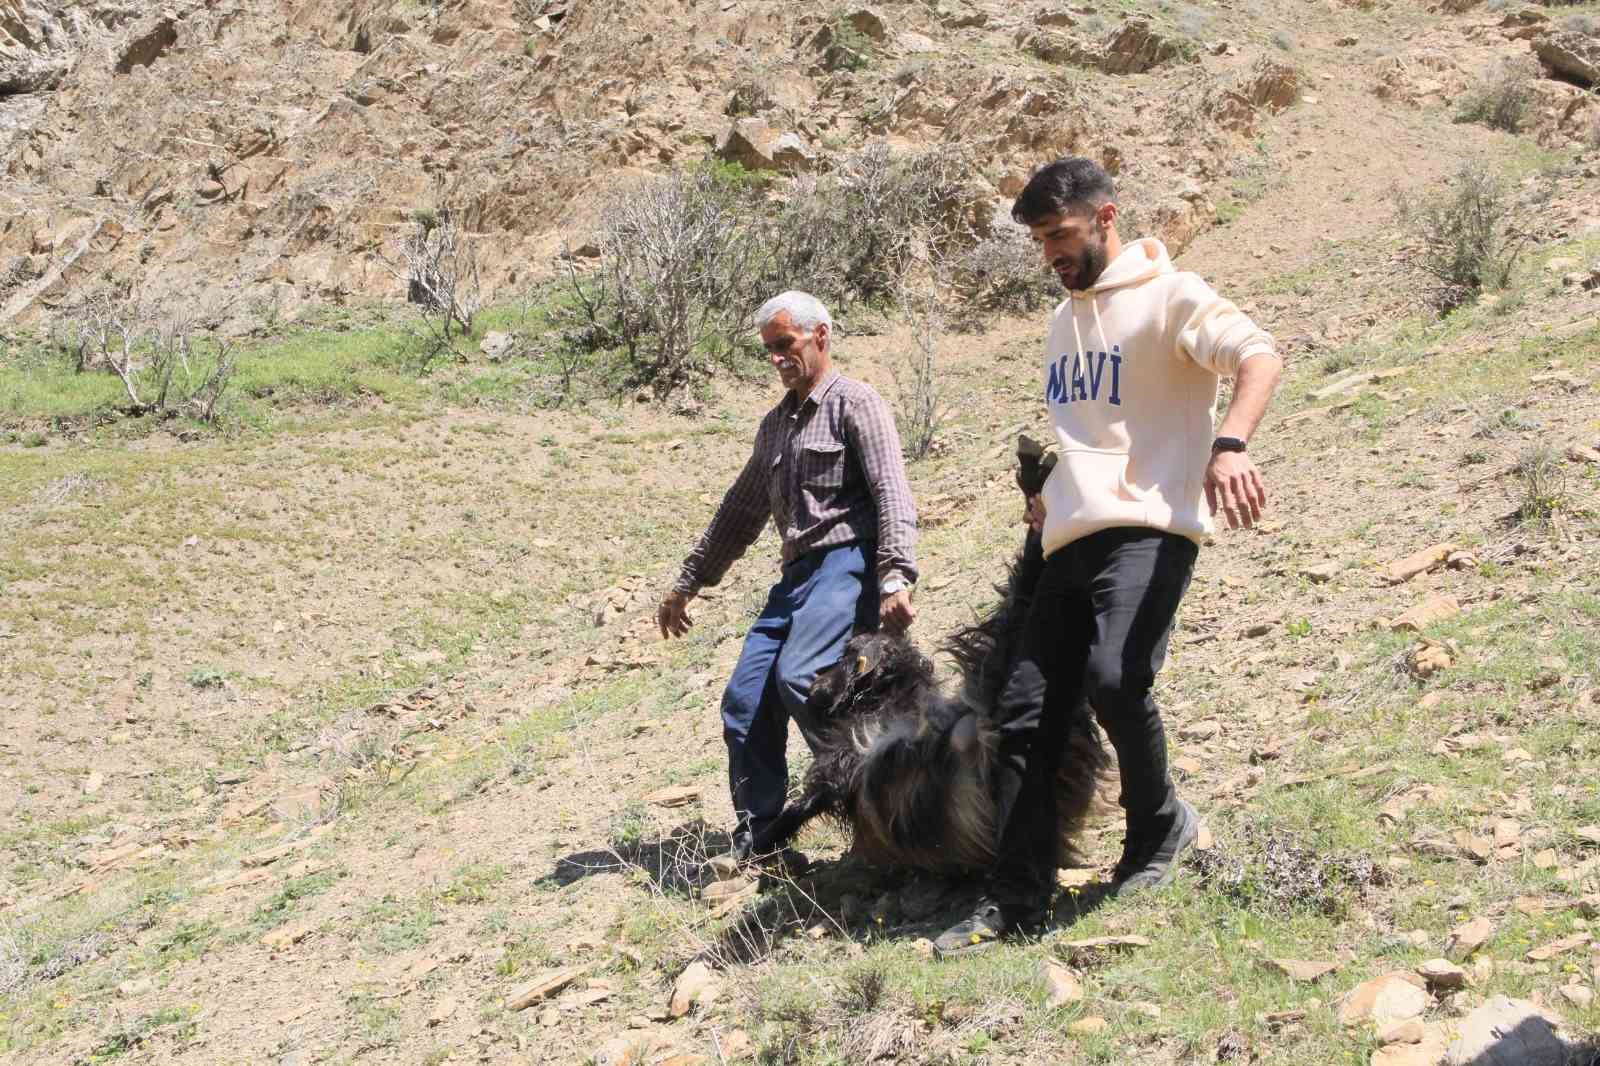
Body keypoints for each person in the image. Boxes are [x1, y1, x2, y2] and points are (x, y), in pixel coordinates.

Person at [935, 158, 1284, 954]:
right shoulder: (1063, 324)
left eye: (1060, 234)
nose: (1051, 253)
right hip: (1068, 538)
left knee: (1117, 678)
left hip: (1153, 525)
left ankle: (1159, 826)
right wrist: (1049, 493)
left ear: (1105, 216)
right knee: (1024, 720)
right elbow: (1093, 433)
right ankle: (1017, 902)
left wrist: (1229, 445)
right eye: (1038, 241)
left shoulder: (1172, 295)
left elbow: (1258, 355)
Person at [658, 290, 919, 862]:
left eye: (786, 346)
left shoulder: (856, 403)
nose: (777, 359)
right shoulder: (775, 426)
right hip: (796, 576)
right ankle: (765, 837)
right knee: (745, 700)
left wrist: (897, 574)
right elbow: (740, 512)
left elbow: (892, 493)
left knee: (802, 676)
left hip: (848, 563)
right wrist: (689, 581)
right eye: (769, 350)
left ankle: (880, 799)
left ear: (820, 335)